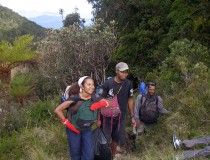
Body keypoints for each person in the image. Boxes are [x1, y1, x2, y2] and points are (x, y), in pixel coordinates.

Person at [54, 76, 109, 160]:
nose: (92, 87)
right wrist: (68, 124)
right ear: (82, 87)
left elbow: (106, 103)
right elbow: (57, 110)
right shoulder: (74, 98)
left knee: (89, 156)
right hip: (73, 130)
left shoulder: (95, 97)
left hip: (87, 129)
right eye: (89, 84)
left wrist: (98, 116)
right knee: (76, 155)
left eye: (93, 84)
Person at [97, 62, 136, 159]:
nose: (125, 74)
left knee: (115, 138)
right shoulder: (108, 83)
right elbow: (99, 101)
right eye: (122, 72)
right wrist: (98, 118)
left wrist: (132, 116)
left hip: (120, 117)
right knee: (105, 139)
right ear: (116, 71)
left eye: (126, 72)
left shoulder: (128, 84)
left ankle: (112, 157)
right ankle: (103, 156)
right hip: (106, 117)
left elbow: (130, 100)